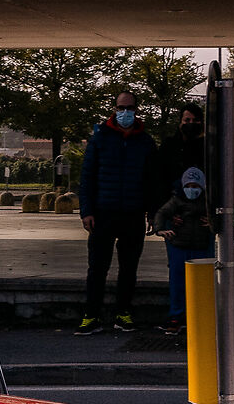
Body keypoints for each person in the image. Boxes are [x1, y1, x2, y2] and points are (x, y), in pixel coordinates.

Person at [77, 91, 158, 334]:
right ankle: (91, 315)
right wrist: (87, 211)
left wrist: (152, 212)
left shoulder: (145, 141)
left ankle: (123, 313)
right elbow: (87, 177)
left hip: (133, 214)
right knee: (97, 267)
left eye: (130, 108)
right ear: (114, 108)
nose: (125, 112)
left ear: (136, 109)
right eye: (121, 107)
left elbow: (152, 181)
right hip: (103, 214)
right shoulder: (100, 138)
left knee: (129, 268)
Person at [153, 166, 216, 335]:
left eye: (195, 186)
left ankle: (196, 315)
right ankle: (177, 316)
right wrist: (159, 229)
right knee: (178, 281)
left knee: (199, 282)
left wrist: (214, 224)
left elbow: (221, 216)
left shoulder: (208, 201)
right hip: (181, 244)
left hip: (199, 245)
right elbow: (162, 213)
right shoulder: (177, 200)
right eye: (188, 186)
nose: (191, 190)